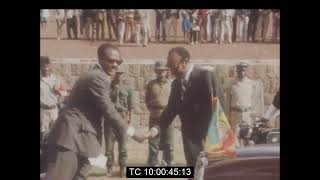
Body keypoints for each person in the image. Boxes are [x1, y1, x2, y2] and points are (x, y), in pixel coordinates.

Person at [44, 43, 148, 180]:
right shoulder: (97, 77)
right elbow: (109, 110)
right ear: (100, 59)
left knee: (81, 174)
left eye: (118, 61)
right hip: (71, 138)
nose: (115, 65)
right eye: (111, 61)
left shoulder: (99, 77)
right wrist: (133, 133)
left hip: (83, 140)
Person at [148, 47, 225, 178]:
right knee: (193, 172)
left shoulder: (205, 76)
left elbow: (219, 109)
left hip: (209, 140)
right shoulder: (176, 84)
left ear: (185, 61)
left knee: (212, 173)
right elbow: (170, 111)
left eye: (174, 66)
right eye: (170, 67)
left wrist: (214, 139)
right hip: (190, 141)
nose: (171, 71)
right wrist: (156, 128)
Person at [104, 67, 134, 177]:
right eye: (116, 74)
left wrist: (130, 118)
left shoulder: (127, 88)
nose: (118, 76)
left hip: (122, 119)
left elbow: (131, 105)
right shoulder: (107, 87)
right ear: (113, 74)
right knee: (109, 148)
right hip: (110, 120)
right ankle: (109, 168)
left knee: (123, 147)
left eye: (120, 73)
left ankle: (122, 168)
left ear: (123, 75)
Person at [145, 61, 174, 166]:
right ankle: (152, 164)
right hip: (154, 115)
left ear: (167, 71)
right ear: (156, 71)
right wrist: (154, 108)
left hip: (168, 116)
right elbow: (147, 100)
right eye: (159, 71)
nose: (161, 73)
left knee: (169, 143)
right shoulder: (151, 84)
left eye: (163, 71)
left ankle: (167, 164)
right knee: (153, 142)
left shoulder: (172, 84)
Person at [228, 63, 257, 146]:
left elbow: (254, 100)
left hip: (247, 114)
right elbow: (227, 101)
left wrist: (255, 116)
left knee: (248, 137)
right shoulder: (231, 84)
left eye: (243, 71)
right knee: (234, 139)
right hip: (235, 114)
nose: (241, 73)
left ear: (246, 71)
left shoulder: (252, 84)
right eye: (239, 71)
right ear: (237, 71)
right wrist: (227, 117)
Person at [40, 56, 64, 143]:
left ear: (50, 66)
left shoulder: (55, 79)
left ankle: (51, 153)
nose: (46, 68)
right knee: (43, 134)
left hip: (54, 110)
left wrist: (59, 91)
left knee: (55, 133)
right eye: (43, 66)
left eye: (47, 66)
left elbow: (64, 92)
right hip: (43, 111)